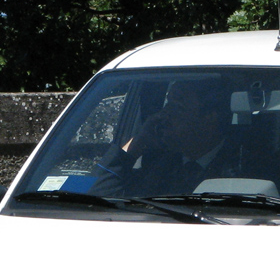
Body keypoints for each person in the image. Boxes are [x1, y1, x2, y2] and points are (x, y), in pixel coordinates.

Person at [88, 80, 236, 197]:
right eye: (167, 105)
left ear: (210, 118)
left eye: (177, 108)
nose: (163, 115)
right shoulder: (157, 164)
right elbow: (90, 195)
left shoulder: (241, 164)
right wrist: (135, 147)